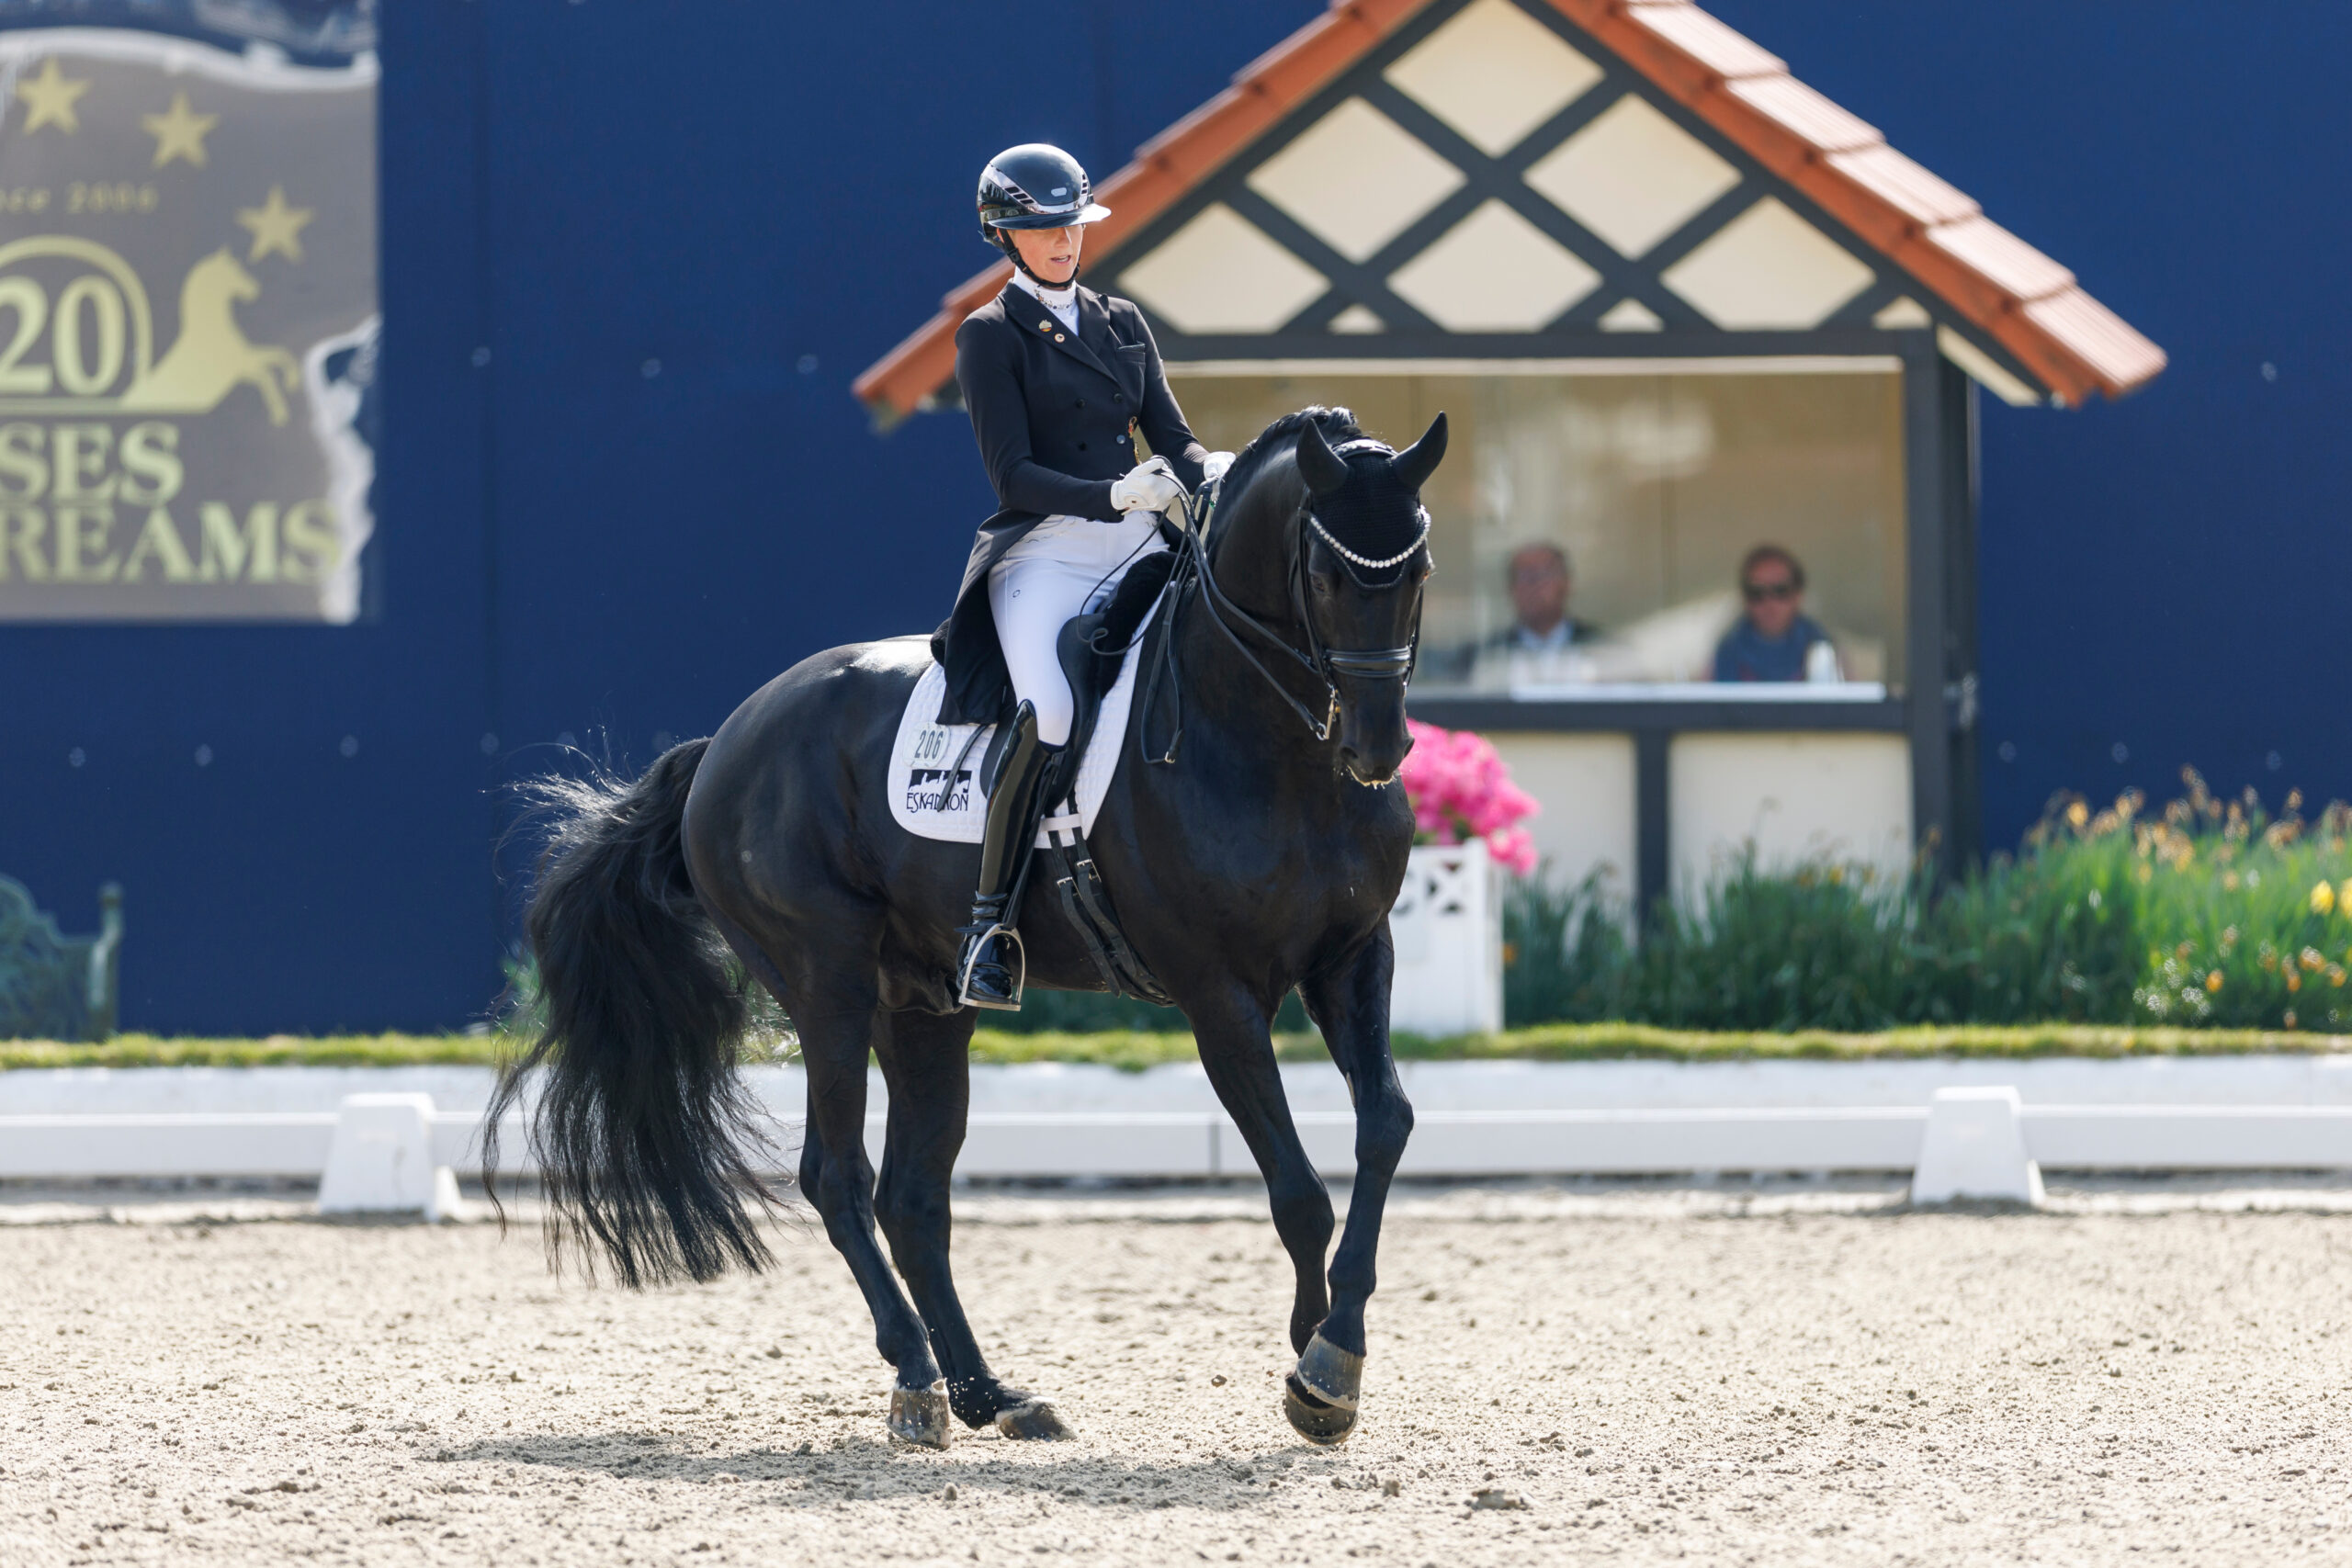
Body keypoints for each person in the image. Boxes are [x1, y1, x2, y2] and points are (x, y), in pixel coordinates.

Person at [936, 143, 1233, 1010]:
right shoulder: (988, 337)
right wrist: (1111, 492)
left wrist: (1203, 467)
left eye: (1069, 224)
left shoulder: (1123, 321)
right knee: (1056, 710)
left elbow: (1169, 432)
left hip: (1136, 536)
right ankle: (988, 925)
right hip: (1047, 552)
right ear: (1006, 234)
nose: (1062, 240)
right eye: (1041, 228)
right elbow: (1012, 474)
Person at [1462, 542, 1599, 686]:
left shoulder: (1599, 647)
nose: (1534, 586)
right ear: (1511, 589)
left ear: (1567, 584)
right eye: (1524, 577)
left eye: (1543, 575)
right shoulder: (1484, 657)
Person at [1711, 543, 1841, 683]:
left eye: (1780, 591)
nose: (1769, 602)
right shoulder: (1725, 652)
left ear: (1798, 595)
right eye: (1756, 593)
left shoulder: (1824, 648)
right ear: (1745, 599)